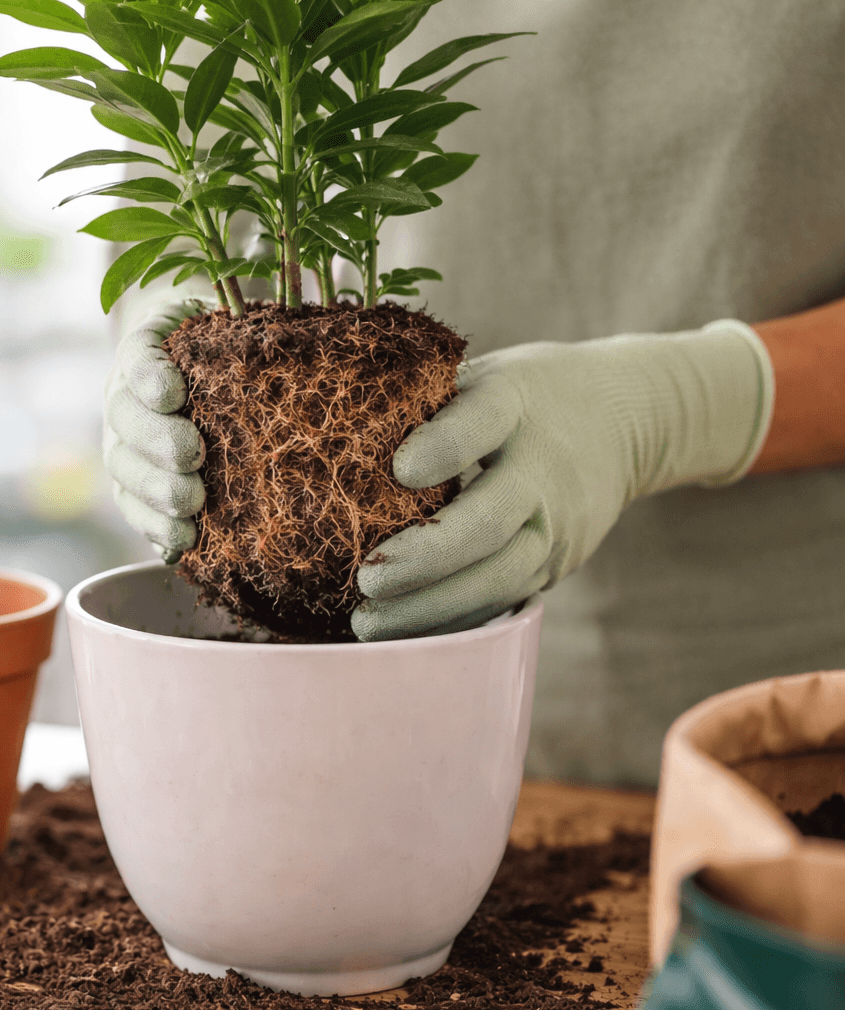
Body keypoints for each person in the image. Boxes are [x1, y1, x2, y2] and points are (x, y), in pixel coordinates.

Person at [101, 2, 845, 788]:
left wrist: (678, 404)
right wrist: (172, 319)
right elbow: (183, 163)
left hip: (789, 721)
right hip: (359, 730)